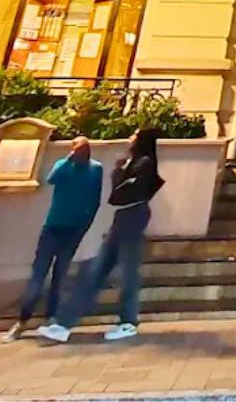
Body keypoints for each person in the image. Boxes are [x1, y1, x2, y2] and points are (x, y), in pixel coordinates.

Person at [38, 130, 164, 343]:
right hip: (123, 216)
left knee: (128, 271)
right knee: (96, 271)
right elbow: (117, 192)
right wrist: (120, 171)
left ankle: (128, 322)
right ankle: (63, 324)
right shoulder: (133, 162)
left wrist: (120, 171)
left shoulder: (145, 163)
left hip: (134, 215)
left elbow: (122, 192)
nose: (130, 139)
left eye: (134, 136)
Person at [2, 138, 103, 342]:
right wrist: (68, 159)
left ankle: (51, 318)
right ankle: (22, 321)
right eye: (77, 151)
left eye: (83, 150)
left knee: (60, 276)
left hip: (73, 231)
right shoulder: (64, 166)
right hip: (53, 228)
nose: (80, 154)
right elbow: (51, 179)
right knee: (38, 276)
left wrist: (85, 226)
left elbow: (95, 200)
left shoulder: (95, 169)